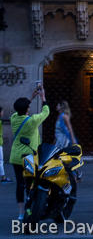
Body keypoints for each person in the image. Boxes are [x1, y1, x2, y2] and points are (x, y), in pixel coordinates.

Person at [10, 83, 49, 221]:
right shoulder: (32, 121)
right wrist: (43, 97)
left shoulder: (14, 118)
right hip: (28, 157)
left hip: (15, 157)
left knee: (20, 184)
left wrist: (30, 98)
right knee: (30, 184)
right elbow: (46, 112)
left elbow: (19, 109)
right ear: (27, 109)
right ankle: (30, 209)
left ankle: (21, 213)